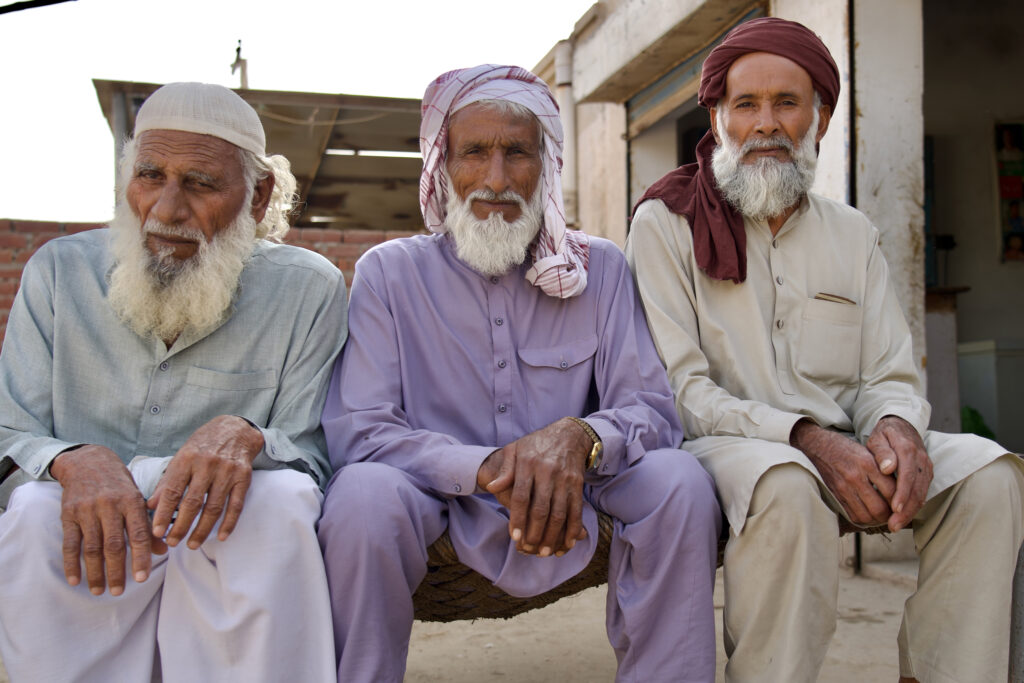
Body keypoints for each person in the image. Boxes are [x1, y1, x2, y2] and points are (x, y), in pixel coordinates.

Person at [626, 17, 1024, 683]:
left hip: (848, 446)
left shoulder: (852, 232)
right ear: (718, 117)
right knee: (787, 483)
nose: (765, 124)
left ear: (822, 114)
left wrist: (897, 429)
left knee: (990, 473)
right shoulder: (665, 224)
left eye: (787, 102)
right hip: (723, 448)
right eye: (745, 104)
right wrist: (807, 439)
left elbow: (890, 373)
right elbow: (681, 392)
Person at [318, 64, 721, 683]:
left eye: (517, 153)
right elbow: (362, 429)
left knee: (679, 479)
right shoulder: (389, 274)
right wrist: (487, 468)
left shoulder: (600, 268)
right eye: (474, 153)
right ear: (442, 165)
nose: (497, 179)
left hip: (579, 493)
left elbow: (649, 410)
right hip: (438, 500)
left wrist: (579, 438)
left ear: (546, 164)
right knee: (362, 497)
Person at [0, 82, 346, 682]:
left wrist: (247, 435)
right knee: (33, 509)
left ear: (259, 196)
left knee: (283, 502)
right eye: (150, 176)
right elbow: (13, 428)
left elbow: (311, 450)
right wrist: (73, 460)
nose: (166, 209)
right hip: (84, 518)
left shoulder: (308, 288)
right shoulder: (59, 273)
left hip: (227, 524)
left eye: (201, 183)